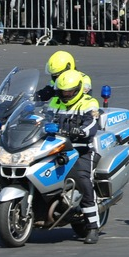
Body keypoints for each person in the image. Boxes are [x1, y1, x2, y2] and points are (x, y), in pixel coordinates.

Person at [48, 69, 102, 243]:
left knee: (82, 178)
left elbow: (92, 124)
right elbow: (42, 119)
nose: (66, 94)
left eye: (70, 91)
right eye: (63, 91)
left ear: (78, 89)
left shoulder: (89, 103)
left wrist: (80, 130)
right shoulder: (55, 102)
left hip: (82, 150)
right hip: (56, 149)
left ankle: (93, 227)